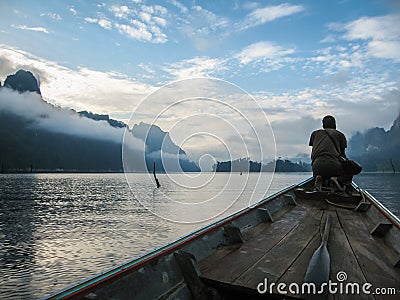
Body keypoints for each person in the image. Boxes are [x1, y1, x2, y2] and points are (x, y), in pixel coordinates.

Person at [309, 115, 352, 191]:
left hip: (317, 167)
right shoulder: (340, 135)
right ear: (335, 125)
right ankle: (336, 179)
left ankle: (319, 178)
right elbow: (342, 156)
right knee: (349, 169)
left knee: (322, 169)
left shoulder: (314, 134)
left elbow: (314, 150)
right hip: (334, 166)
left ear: (323, 125)